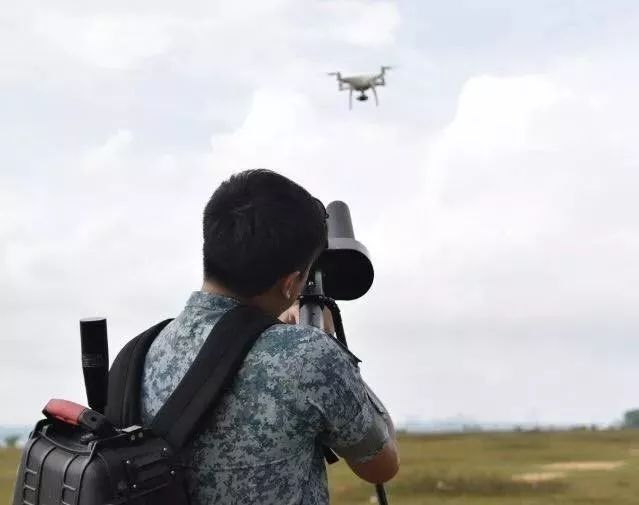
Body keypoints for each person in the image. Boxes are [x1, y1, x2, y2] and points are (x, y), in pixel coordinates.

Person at [140, 169, 399, 504]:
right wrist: (328, 348)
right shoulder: (309, 357)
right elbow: (381, 466)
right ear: (291, 283)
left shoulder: (142, 351)